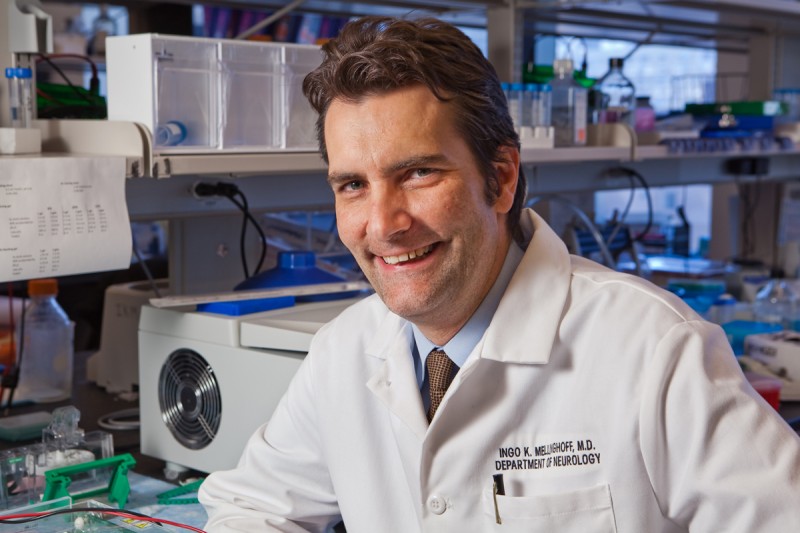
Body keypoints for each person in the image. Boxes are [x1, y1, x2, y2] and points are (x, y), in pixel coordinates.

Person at [198, 16, 800, 532]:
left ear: (502, 177)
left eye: (418, 174)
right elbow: (250, 508)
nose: (383, 225)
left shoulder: (655, 351)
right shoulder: (343, 353)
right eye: (353, 184)